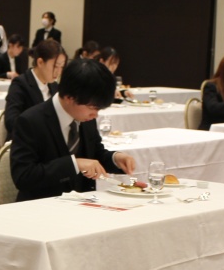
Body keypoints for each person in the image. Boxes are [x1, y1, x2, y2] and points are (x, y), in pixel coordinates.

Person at [10, 57, 136, 201]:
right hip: (42, 206)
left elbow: (95, 154)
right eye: (92, 108)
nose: (95, 115)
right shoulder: (30, 121)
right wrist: (74, 164)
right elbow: (23, 177)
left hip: (84, 204)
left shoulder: (86, 118)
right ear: (70, 98)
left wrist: (115, 159)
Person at [4, 39, 63, 141]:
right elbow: (11, 121)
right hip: (26, 142)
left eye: (61, 67)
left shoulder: (54, 86)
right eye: (55, 66)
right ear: (40, 62)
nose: (58, 72)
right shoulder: (20, 84)